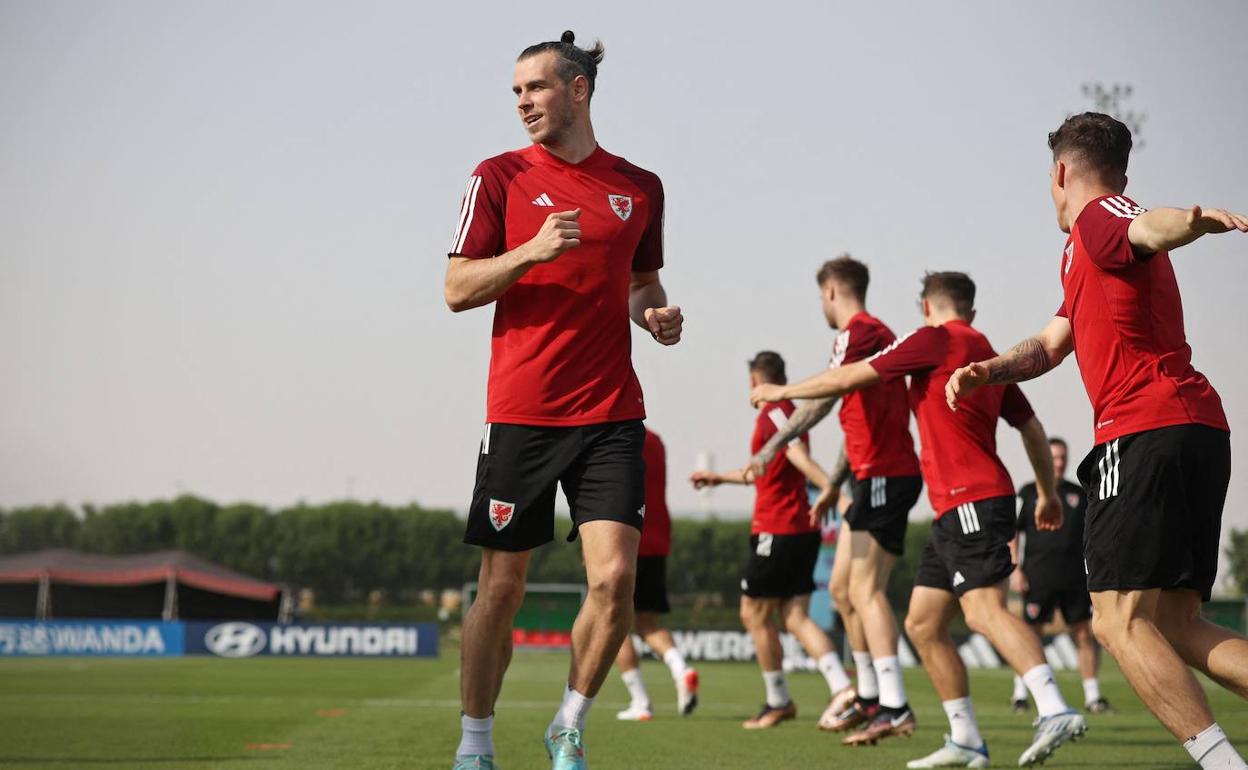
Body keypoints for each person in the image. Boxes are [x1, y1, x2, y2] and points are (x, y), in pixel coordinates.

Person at [947, 112, 1248, 770]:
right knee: (1175, 625)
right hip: (1196, 427)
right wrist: (988, 371)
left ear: (1061, 172)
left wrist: (1192, 221)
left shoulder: (1099, 216)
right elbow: (1052, 344)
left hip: (1143, 430)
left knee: (1116, 622)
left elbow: (1148, 227)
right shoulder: (1086, 253)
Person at [445, 31, 684, 770]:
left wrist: (655, 315)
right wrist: (529, 252)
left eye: (537, 88)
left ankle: (569, 725)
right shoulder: (498, 176)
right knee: (501, 588)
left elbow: (642, 283)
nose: (523, 102)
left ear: (577, 89)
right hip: (523, 412)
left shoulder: (640, 187)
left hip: (612, 413)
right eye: (516, 91)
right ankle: (475, 744)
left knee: (615, 580)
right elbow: (455, 288)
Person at [752, 272, 1086, 767]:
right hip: (953, 507)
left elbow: (847, 378)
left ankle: (1054, 707)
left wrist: (782, 390)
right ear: (971, 311)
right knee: (923, 623)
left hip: (973, 499)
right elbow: (1031, 428)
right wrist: (1046, 493)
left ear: (927, 307)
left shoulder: (933, 339)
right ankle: (965, 738)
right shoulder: (986, 351)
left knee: (983, 611)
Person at [747, 256, 923, 735]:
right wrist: (831, 485)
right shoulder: (872, 337)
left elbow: (826, 395)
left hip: (885, 475)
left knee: (866, 590)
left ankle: (894, 705)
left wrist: (778, 408)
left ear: (830, 292)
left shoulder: (859, 332)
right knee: (844, 590)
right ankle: (867, 696)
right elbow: (858, 423)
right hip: (869, 476)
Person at [690, 351, 855, 730]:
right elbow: (762, 469)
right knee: (794, 617)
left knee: (753, 613)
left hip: (778, 529)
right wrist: (719, 478)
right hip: (800, 529)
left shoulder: (775, 413)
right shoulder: (787, 413)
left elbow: (796, 454)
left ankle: (779, 700)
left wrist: (834, 491)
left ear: (756, 382)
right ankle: (842, 688)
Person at [1008, 437, 1111, 715]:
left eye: (1062, 457)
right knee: (1030, 635)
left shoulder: (1078, 493)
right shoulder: (1028, 492)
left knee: (1084, 634)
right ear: (1043, 459)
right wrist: (1016, 568)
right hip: (1037, 576)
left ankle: (1093, 696)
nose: (1059, 462)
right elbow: (1013, 531)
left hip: (1074, 577)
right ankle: (1020, 694)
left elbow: (1092, 535)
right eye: (1053, 457)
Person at [613, 427, 700, 721]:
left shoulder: (613, 435)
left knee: (614, 623)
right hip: (657, 537)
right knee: (647, 623)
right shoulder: (655, 440)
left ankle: (640, 701)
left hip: (623, 538)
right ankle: (681, 669)